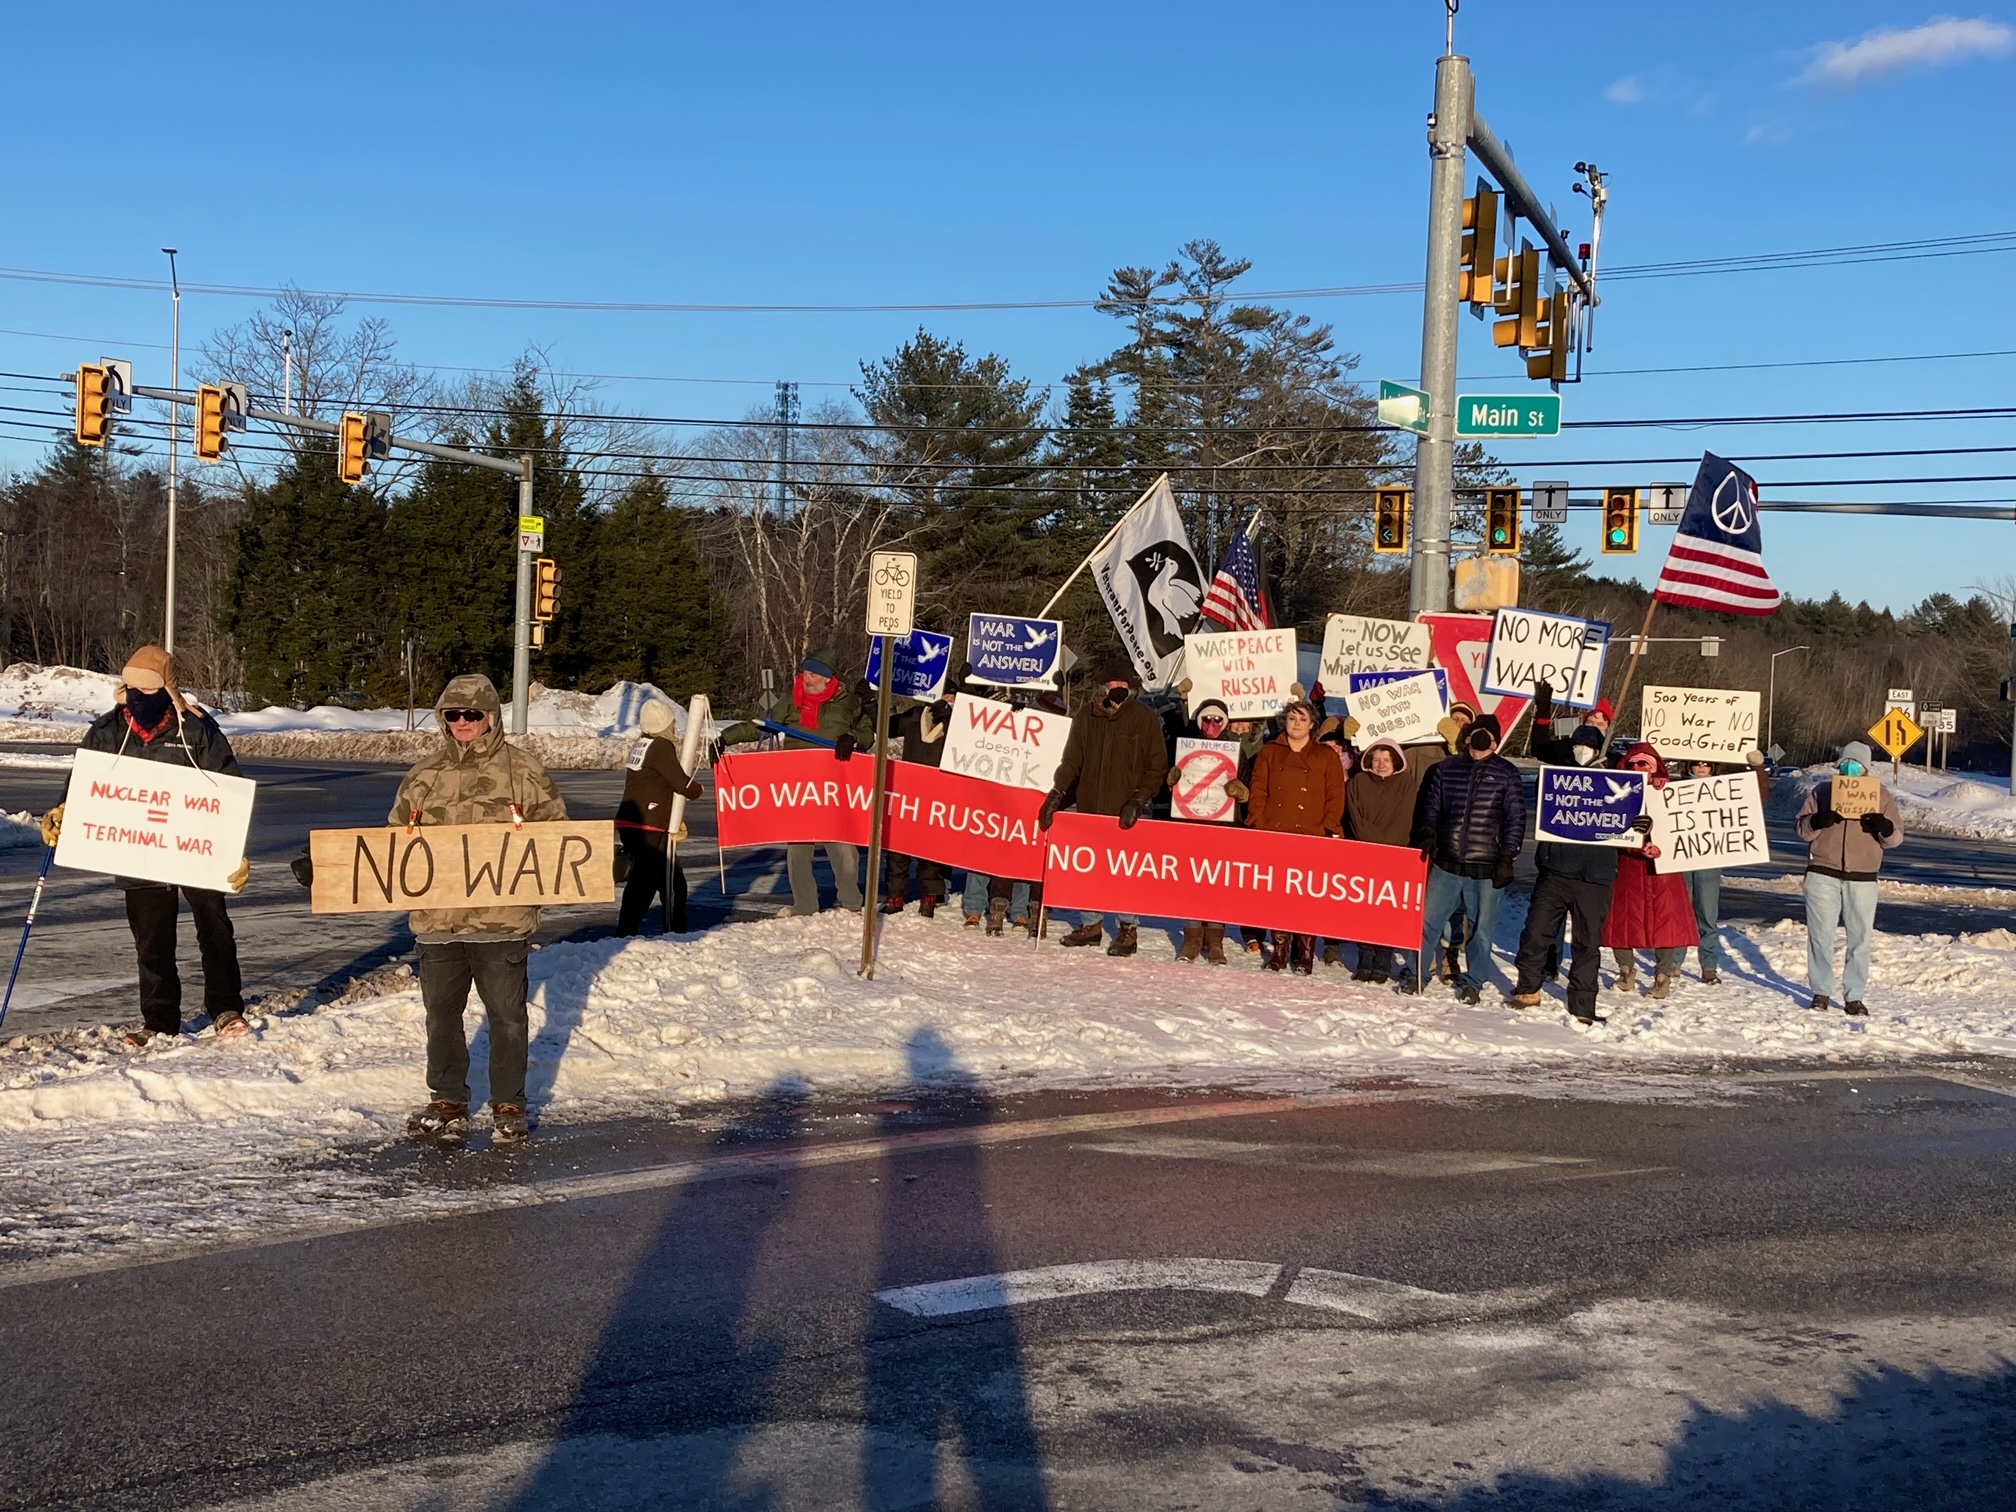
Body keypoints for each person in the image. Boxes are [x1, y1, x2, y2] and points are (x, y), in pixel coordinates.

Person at [40, 645, 251, 1047]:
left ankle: (226, 1008)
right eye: (133, 690)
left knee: (215, 929)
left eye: (150, 691)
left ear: (168, 691)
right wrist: (61, 814)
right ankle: (159, 1020)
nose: (140, 699)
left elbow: (230, 789)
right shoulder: (107, 731)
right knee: (152, 940)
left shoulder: (197, 731)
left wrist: (235, 846)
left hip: (196, 847)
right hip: (138, 850)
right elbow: (83, 784)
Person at [394, 674, 567, 1144]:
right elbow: (392, 843)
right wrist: (328, 869)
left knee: (507, 1016)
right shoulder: (424, 776)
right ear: (443, 718)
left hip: (502, 920)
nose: (463, 722)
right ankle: (447, 1098)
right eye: (454, 714)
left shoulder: (523, 771)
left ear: (491, 717)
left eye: (473, 714)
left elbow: (557, 836)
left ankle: (509, 1103)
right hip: (437, 920)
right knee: (441, 1014)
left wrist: (605, 861)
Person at [718, 648, 872, 915]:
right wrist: (725, 737)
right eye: (804, 672)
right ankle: (804, 906)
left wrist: (854, 739)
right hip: (799, 787)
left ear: (828, 678)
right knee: (799, 851)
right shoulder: (791, 700)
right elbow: (763, 726)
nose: (806, 678)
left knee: (843, 847)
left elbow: (867, 732)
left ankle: (851, 904)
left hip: (833, 787)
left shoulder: (848, 702)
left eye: (812, 673)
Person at [1037, 659, 1168, 956]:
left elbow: (1157, 766)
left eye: (1124, 684)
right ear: (1104, 687)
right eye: (1114, 684)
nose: (1119, 689)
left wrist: (1139, 798)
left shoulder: (1144, 718)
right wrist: (1057, 793)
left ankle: (1127, 929)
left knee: (1123, 872)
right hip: (1090, 807)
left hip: (1127, 811)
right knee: (1090, 869)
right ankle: (1091, 925)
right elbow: (1072, 760)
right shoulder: (1087, 716)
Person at [1508, 722, 1621, 1024]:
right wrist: (1544, 713)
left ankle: (1583, 1004)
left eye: (1588, 747)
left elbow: (1633, 815)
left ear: (1600, 750)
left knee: (1587, 943)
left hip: (1595, 876)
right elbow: (1541, 747)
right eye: (1576, 746)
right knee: (1536, 932)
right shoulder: (1558, 775)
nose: (1581, 751)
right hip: (1555, 870)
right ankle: (1528, 988)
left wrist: (1641, 825)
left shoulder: (1617, 779)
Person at [1411, 711, 1525, 1003]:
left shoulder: (1507, 773)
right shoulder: (1446, 769)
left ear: (1496, 743)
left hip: (1486, 866)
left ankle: (1474, 982)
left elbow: (1515, 818)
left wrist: (1507, 856)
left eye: (1486, 737)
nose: (1480, 741)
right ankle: (1418, 975)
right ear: (1468, 738)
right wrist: (1428, 833)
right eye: (1476, 735)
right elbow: (1432, 806)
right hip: (1447, 861)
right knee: (1428, 922)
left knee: (1481, 930)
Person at [1795, 740, 1903, 1015]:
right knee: (1820, 936)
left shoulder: (1880, 795)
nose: (1849, 769)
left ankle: (1854, 995)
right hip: (1822, 872)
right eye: (1845, 764)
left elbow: (1895, 839)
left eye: (1855, 765)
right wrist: (1817, 821)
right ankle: (1821, 991)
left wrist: (1885, 827)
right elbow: (1801, 829)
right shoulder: (1822, 792)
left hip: (1863, 876)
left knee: (1860, 938)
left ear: (1866, 768)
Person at [1246, 698, 1345, 974]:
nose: (1296, 724)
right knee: (1278, 895)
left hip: (1312, 834)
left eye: (1302, 719)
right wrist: (1260, 822)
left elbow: (1335, 796)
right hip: (1276, 832)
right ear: (1284, 722)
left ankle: (1305, 955)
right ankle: (1278, 952)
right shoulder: (1269, 752)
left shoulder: (1326, 756)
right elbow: (1258, 790)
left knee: (1306, 897)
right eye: (1292, 719)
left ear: (1312, 724)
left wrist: (1327, 827)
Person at [1603, 741, 1698, 998]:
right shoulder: (1617, 793)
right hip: (1629, 867)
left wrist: (1660, 845)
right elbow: (1611, 829)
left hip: (1665, 870)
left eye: (1643, 763)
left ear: (1654, 766)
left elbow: (1685, 827)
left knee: (1665, 922)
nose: (1637, 768)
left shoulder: (1671, 792)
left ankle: (1663, 975)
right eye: (1631, 764)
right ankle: (1625, 970)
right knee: (1622, 921)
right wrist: (1638, 847)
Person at [614, 698, 703, 936]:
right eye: (672, 721)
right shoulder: (661, 746)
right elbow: (679, 782)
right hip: (649, 824)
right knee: (649, 883)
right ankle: (630, 933)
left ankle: (671, 929)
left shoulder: (641, 744)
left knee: (669, 880)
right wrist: (697, 790)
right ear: (663, 723)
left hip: (632, 820)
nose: (675, 725)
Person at [1684, 750, 1772, 984]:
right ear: (1689, 766)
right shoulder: (1676, 789)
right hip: (1681, 859)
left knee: (1707, 915)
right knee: (1680, 914)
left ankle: (1709, 966)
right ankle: (1672, 963)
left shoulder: (1724, 790)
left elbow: (1757, 796)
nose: (1702, 768)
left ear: (1713, 768)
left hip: (1709, 860)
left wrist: (1757, 768)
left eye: (1706, 764)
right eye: (1697, 763)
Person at [1167, 698, 1240, 963]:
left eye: (1217, 720)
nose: (1212, 725)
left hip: (1224, 827)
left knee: (1219, 884)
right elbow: (1176, 785)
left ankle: (1216, 941)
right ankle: (1192, 938)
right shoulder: (1186, 746)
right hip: (1194, 825)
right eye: (1207, 719)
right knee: (1193, 883)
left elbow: (1248, 785)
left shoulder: (1237, 749)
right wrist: (1172, 781)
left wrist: (1241, 792)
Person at [1342, 738, 1421, 984]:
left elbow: (1405, 820)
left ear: (1396, 761)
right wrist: (1371, 841)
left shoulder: (1406, 784)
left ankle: (1383, 962)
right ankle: (1365, 959)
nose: (1381, 764)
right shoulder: (1358, 782)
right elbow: (1355, 818)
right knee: (1363, 910)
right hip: (1363, 854)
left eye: (1386, 760)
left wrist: (1388, 845)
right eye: (1376, 759)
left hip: (1395, 855)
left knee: (1387, 910)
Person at [883, 694, 952, 918]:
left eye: (951, 697)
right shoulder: (915, 716)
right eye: (943, 695)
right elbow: (887, 726)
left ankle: (929, 897)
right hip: (908, 789)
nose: (946, 700)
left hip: (939, 793)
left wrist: (950, 720)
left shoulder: (960, 723)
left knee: (930, 847)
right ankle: (895, 895)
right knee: (898, 847)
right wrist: (870, 704)